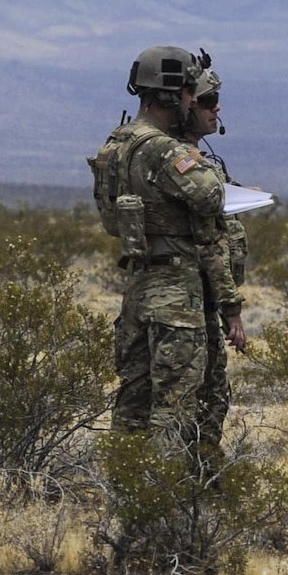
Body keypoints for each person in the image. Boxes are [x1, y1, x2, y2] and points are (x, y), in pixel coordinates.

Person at [98, 46, 230, 452]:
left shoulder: (117, 142)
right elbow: (211, 197)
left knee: (132, 406)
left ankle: (128, 494)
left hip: (138, 286)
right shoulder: (162, 148)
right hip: (175, 292)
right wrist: (201, 163)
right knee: (174, 408)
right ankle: (164, 502)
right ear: (171, 94)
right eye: (191, 93)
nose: (194, 101)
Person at [189, 66, 249, 450]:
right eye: (208, 102)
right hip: (193, 297)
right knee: (204, 395)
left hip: (202, 299)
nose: (217, 109)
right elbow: (210, 243)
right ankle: (196, 478)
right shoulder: (182, 162)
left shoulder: (199, 160)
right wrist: (232, 310)